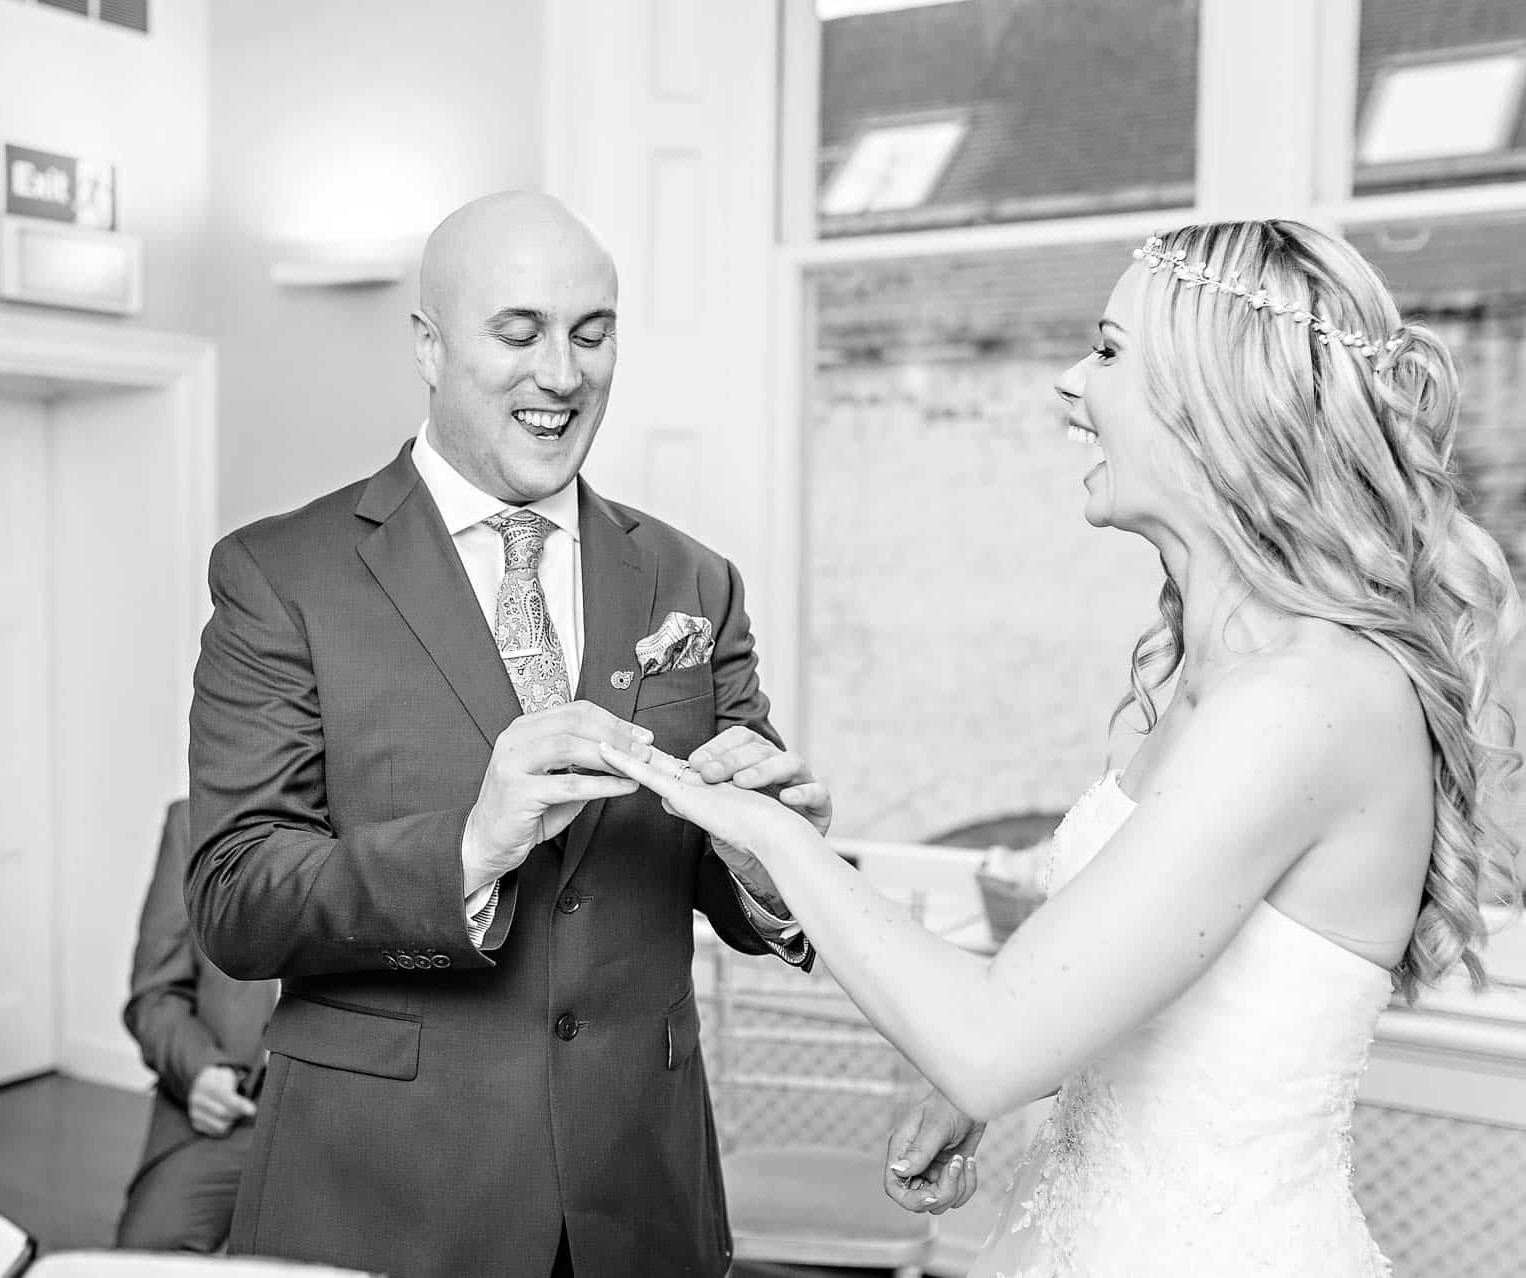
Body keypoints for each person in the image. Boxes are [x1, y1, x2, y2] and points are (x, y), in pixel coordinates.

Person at [600, 219, 1522, 1276]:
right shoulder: (1214, 678)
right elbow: (1126, 973)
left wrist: (763, 828)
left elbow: (994, 1038)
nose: (1068, 384)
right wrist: (1003, 1078)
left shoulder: (1305, 702)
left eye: (1110, 350)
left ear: (1216, 402)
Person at [186, 191, 963, 1278]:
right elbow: (233, 897)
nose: (563, 373)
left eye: (591, 333)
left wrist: (769, 861)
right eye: (520, 332)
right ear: (428, 343)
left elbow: (743, 883)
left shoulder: (692, 579)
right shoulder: (282, 576)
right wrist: (469, 848)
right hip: (387, 1198)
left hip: (643, 1197)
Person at [116, 797, 279, 1252]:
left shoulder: (381, 817)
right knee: (145, 1256)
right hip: (226, 1114)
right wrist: (200, 1071)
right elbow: (155, 994)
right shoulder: (193, 823)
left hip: (342, 1116)